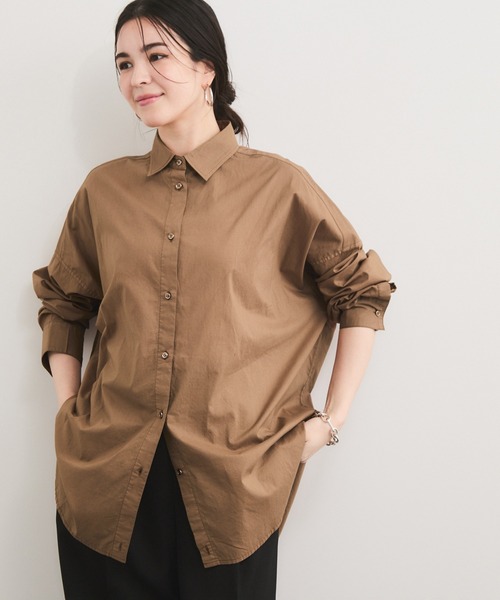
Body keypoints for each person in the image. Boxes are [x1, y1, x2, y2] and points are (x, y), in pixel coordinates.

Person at [32, 0, 396, 598]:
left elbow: (362, 290)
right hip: (106, 482)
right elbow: (63, 303)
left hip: (232, 492)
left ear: (207, 68)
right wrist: (69, 414)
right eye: (124, 63)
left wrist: (330, 423)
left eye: (156, 56)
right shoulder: (104, 190)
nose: (137, 77)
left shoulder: (278, 186)